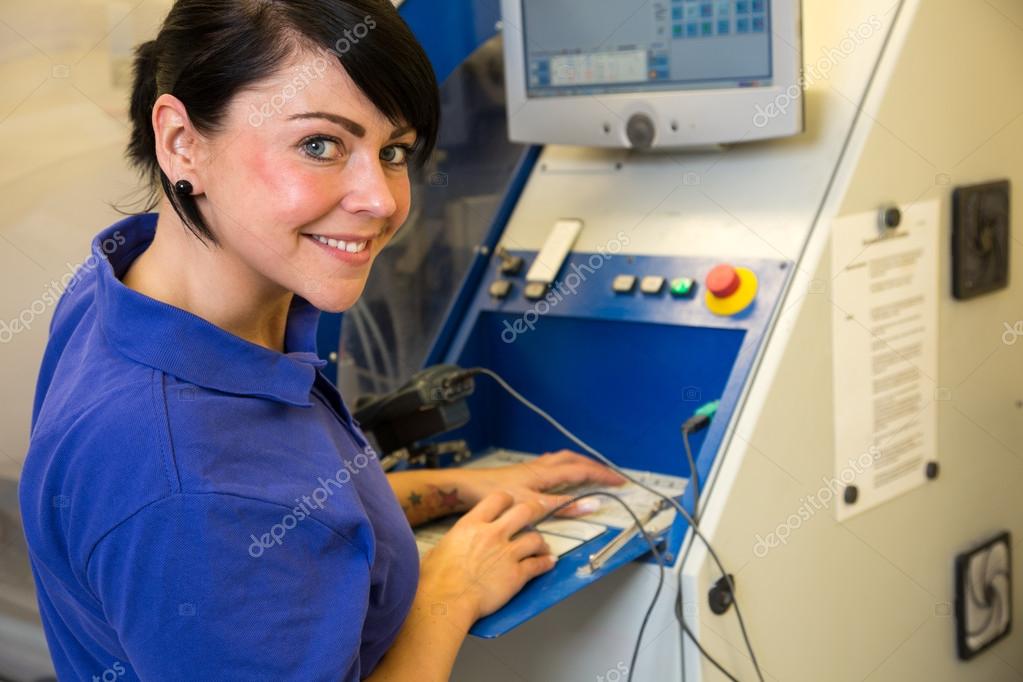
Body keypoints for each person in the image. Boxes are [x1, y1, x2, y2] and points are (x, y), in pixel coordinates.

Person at [18, 1, 625, 680]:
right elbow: (233, 513)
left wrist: (453, 488)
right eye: (320, 145)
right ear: (181, 141)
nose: (383, 200)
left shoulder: (129, 288)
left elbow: (279, 512)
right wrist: (446, 595)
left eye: (393, 151)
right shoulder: (191, 486)